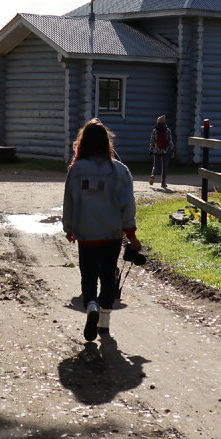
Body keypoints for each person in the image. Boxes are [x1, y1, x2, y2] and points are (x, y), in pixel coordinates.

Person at [62, 119, 141, 341]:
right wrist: (131, 234)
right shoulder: (120, 171)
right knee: (107, 275)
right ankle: (104, 322)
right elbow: (128, 204)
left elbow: (69, 201)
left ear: (83, 143)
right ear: (107, 143)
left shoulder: (76, 170)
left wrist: (69, 227)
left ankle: (92, 307)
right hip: (111, 233)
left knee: (88, 275)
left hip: (86, 233)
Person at [148, 115, 176, 188]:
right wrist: (172, 150)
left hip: (156, 150)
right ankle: (163, 182)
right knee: (164, 167)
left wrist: (151, 149)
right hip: (165, 151)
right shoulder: (167, 130)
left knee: (156, 165)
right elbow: (170, 141)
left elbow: (152, 141)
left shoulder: (155, 130)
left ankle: (153, 174)